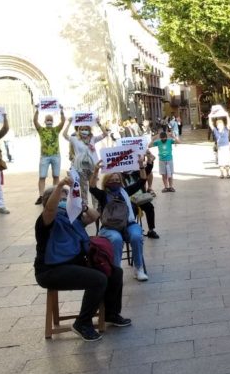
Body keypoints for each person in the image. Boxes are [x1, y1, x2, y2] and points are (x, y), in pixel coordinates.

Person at [34, 178, 130, 341]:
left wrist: (82, 205)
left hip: (74, 264)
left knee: (115, 272)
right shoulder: (46, 221)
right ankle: (82, 323)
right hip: (51, 271)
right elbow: (50, 208)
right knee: (98, 279)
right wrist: (60, 187)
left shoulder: (70, 218)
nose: (64, 201)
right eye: (62, 199)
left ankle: (111, 313)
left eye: (67, 199)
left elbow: (94, 216)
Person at [90, 163, 149, 281]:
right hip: (110, 227)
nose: (115, 182)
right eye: (112, 180)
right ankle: (116, 271)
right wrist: (96, 171)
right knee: (116, 239)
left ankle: (139, 268)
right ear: (107, 182)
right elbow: (92, 188)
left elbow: (142, 180)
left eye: (117, 179)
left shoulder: (125, 191)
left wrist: (141, 166)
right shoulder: (102, 195)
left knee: (137, 236)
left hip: (129, 224)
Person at [64, 119, 107, 207]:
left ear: (89, 130)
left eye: (86, 129)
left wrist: (99, 123)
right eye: (82, 129)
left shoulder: (93, 139)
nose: (84, 131)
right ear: (79, 130)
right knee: (83, 187)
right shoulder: (75, 139)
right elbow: (64, 135)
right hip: (81, 167)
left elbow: (105, 134)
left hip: (92, 167)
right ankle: (85, 205)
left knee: (93, 186)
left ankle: (96, 205)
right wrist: (69, 122)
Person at [34, 108, 66, 205]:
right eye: (47, 120)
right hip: (44, 156)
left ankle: (55, 194)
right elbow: (35, 121)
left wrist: (61, 111)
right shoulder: (41, 130)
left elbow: (63, 121)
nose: (49, 121)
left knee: (56, 176)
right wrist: (37, 110)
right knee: (42, 176)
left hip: (56, 156)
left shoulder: (56, 129)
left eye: (50, 120)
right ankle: (41, 196)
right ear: (44, 121)